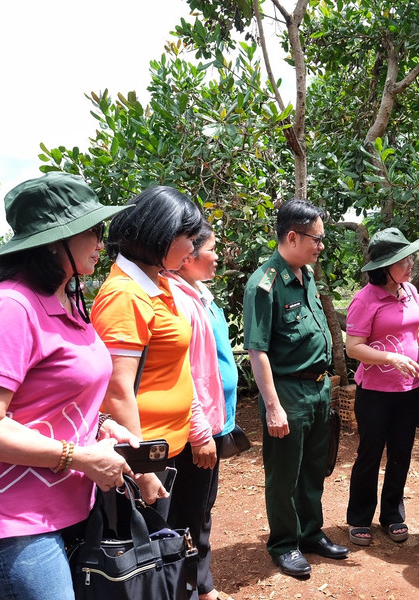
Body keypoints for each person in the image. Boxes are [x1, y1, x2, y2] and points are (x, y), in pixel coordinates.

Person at [0, 173, 139, 600]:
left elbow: (51, 401)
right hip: (16, 523)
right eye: (91, 229)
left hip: (65, 509)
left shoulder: (66, 302)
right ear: (56, 240)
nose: (101, 239)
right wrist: (78, 456)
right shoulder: (10, 307)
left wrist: (102, 425)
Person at [243, 199, 348, 578]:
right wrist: (272, 406)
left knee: (313, 470)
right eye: (316, 239)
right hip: (287, 393)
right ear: (292, 236)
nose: (321, 246)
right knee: (285, 473)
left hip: (318, 390)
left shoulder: (306, 274)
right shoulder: (264, 284)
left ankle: (311, 533)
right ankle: (284, 543)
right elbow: (258, 350)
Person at [91, 186, 205, 510]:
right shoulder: (125, 295)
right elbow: (117, 389)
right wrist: (142, 467)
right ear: (164, 235)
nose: (193, 248)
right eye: (190, 238)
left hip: (165, 450)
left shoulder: (159, 282)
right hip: (142, 460)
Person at [166, 220, 237, 600]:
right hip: (196, 427)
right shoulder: (175, 298)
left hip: (214, 419)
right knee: (189, 513)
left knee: (202, 509)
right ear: (187, 257)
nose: (217, 256)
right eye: (211, 249)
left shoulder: (200, 294)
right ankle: (191, 587)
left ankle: (201, 583)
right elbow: (184, 372)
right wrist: (200, 431)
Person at [345, 228, 419, 547]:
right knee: (370, 453)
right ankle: (359, 517)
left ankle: (392, 514)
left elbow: (415, 333)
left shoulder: (410, 291)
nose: (409, 264)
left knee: (401, 453)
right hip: (375, 393)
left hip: (410, 390)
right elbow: (353, 347)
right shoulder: (365, 299)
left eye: (409, 257)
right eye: (401, 260)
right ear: (383, 267)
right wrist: (390, 358)